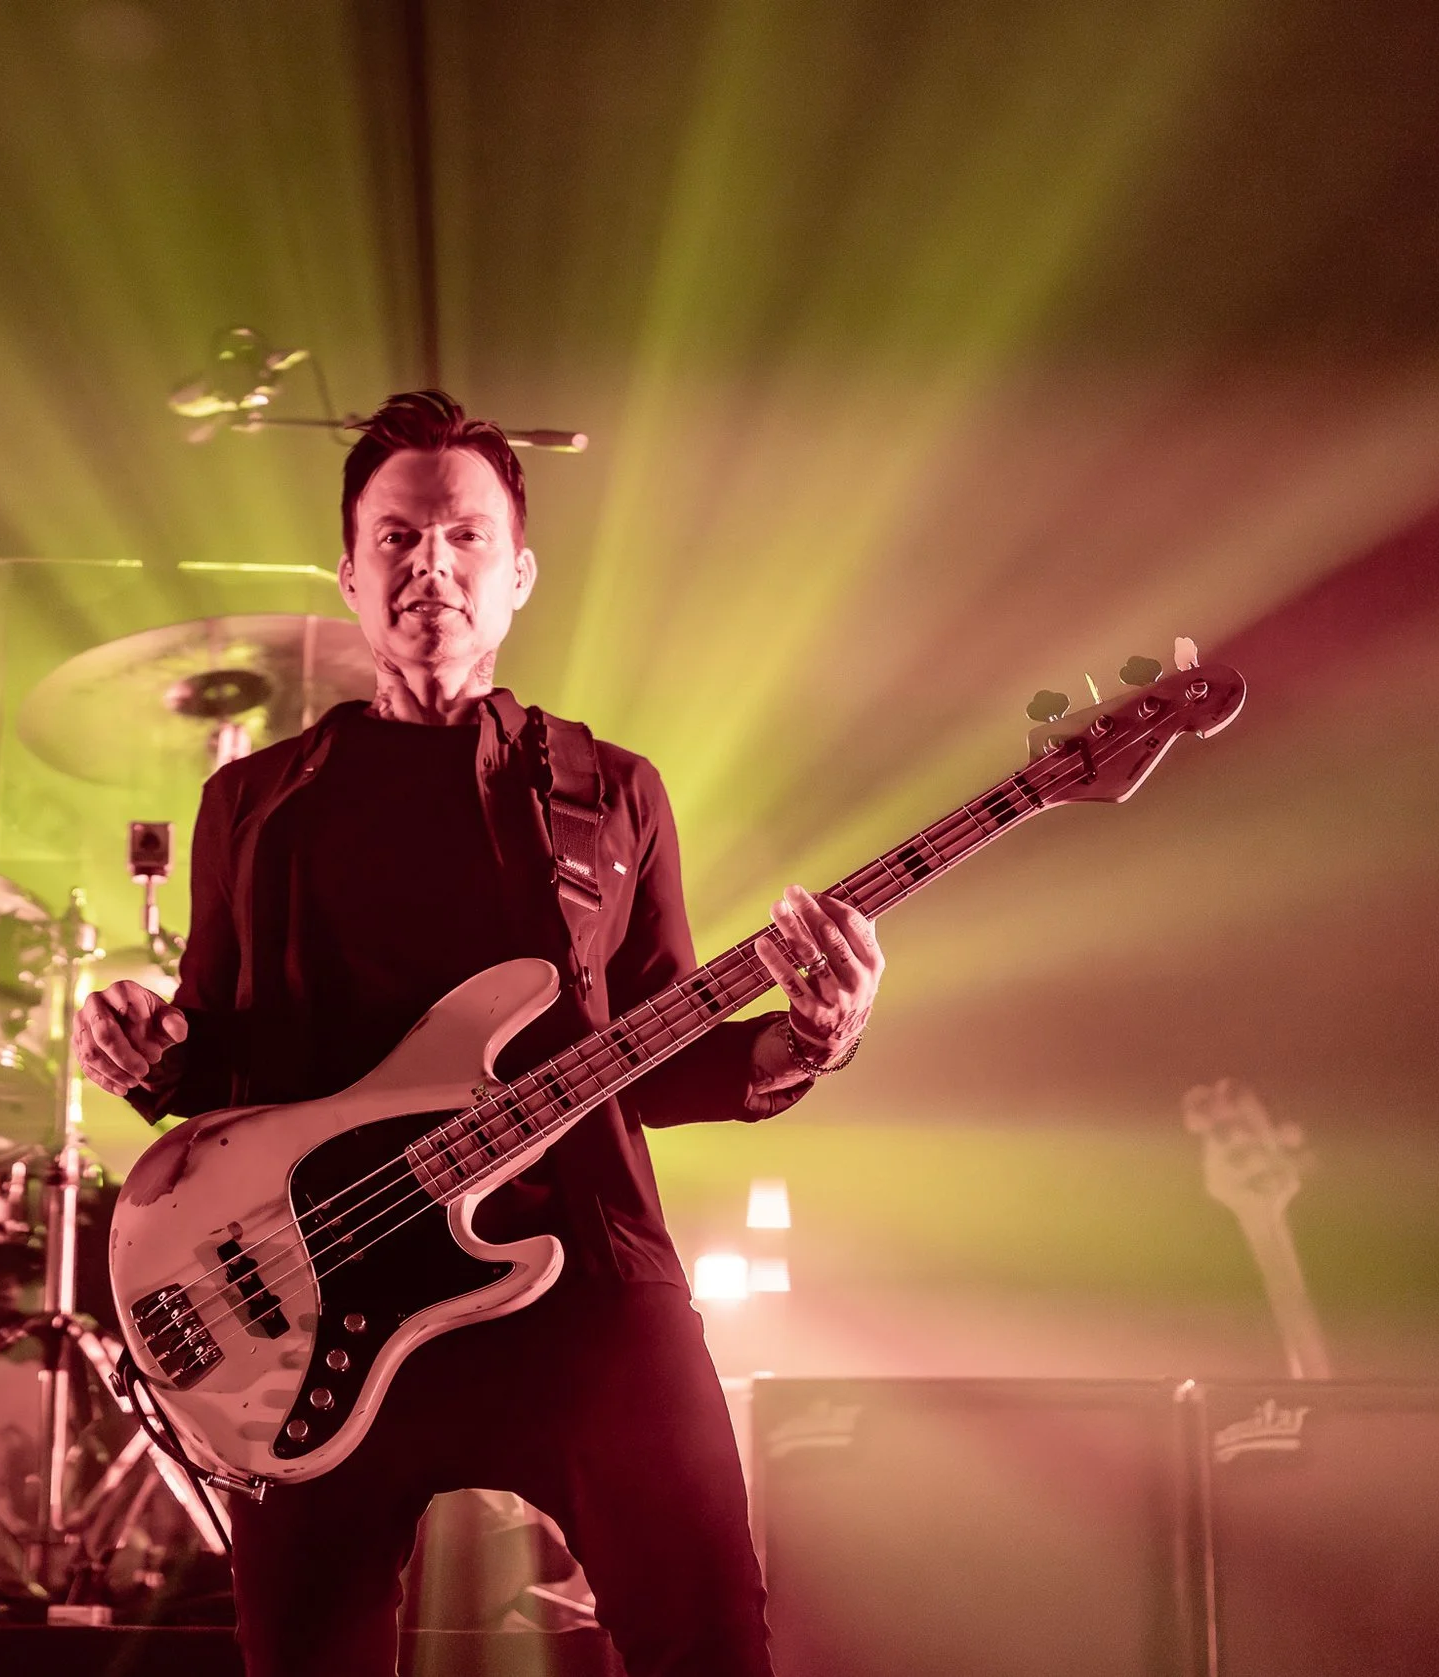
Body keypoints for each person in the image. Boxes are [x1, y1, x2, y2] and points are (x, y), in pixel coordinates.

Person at [75, 390, 883, 1677]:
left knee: (710, 1643)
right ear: (348, 574)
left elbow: (660, 1054)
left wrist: (809, 1038)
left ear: (517, 575)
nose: (429, 567)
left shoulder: (607, 791)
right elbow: (218, 1064)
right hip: (316, 1294)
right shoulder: (252, 803)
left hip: (582, 1273)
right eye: (396, 538)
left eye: (462, 539)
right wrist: (144, 1053)